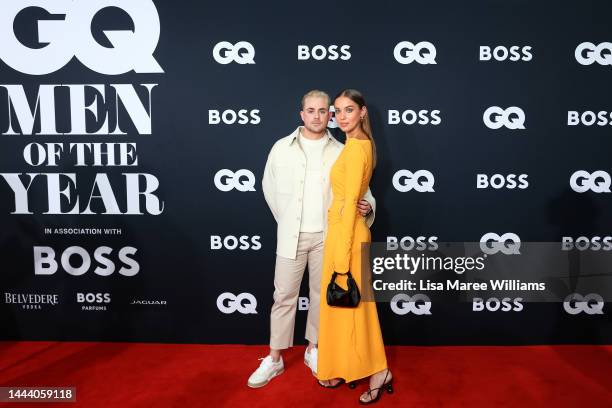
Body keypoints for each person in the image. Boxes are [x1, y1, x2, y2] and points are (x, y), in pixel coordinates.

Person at [247, 90, 377, 388]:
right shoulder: (281, 148)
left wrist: (369, 205)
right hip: (291, 235)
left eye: (323, 111)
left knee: (322, 297)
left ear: (329, 115)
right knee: (283, 297)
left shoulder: (342, 148)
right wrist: (289, 222)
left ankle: (314, 350)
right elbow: (269, 188)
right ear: (301, 114)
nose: (317, 116)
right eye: (311, 110)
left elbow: (359, 187)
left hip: (329, 239)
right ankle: (275, 358)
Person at [317, 89, 393, 404]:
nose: (342, 117)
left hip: (346, 236)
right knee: (339, 307)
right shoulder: (352, 146)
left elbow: (350, 205)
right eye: (338, 111)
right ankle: (339, 366)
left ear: (362, 112)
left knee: (359, 308)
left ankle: (379, 371)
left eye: (349, 110)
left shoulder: (358, 148)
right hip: (339, 232)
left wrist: (342, 256)